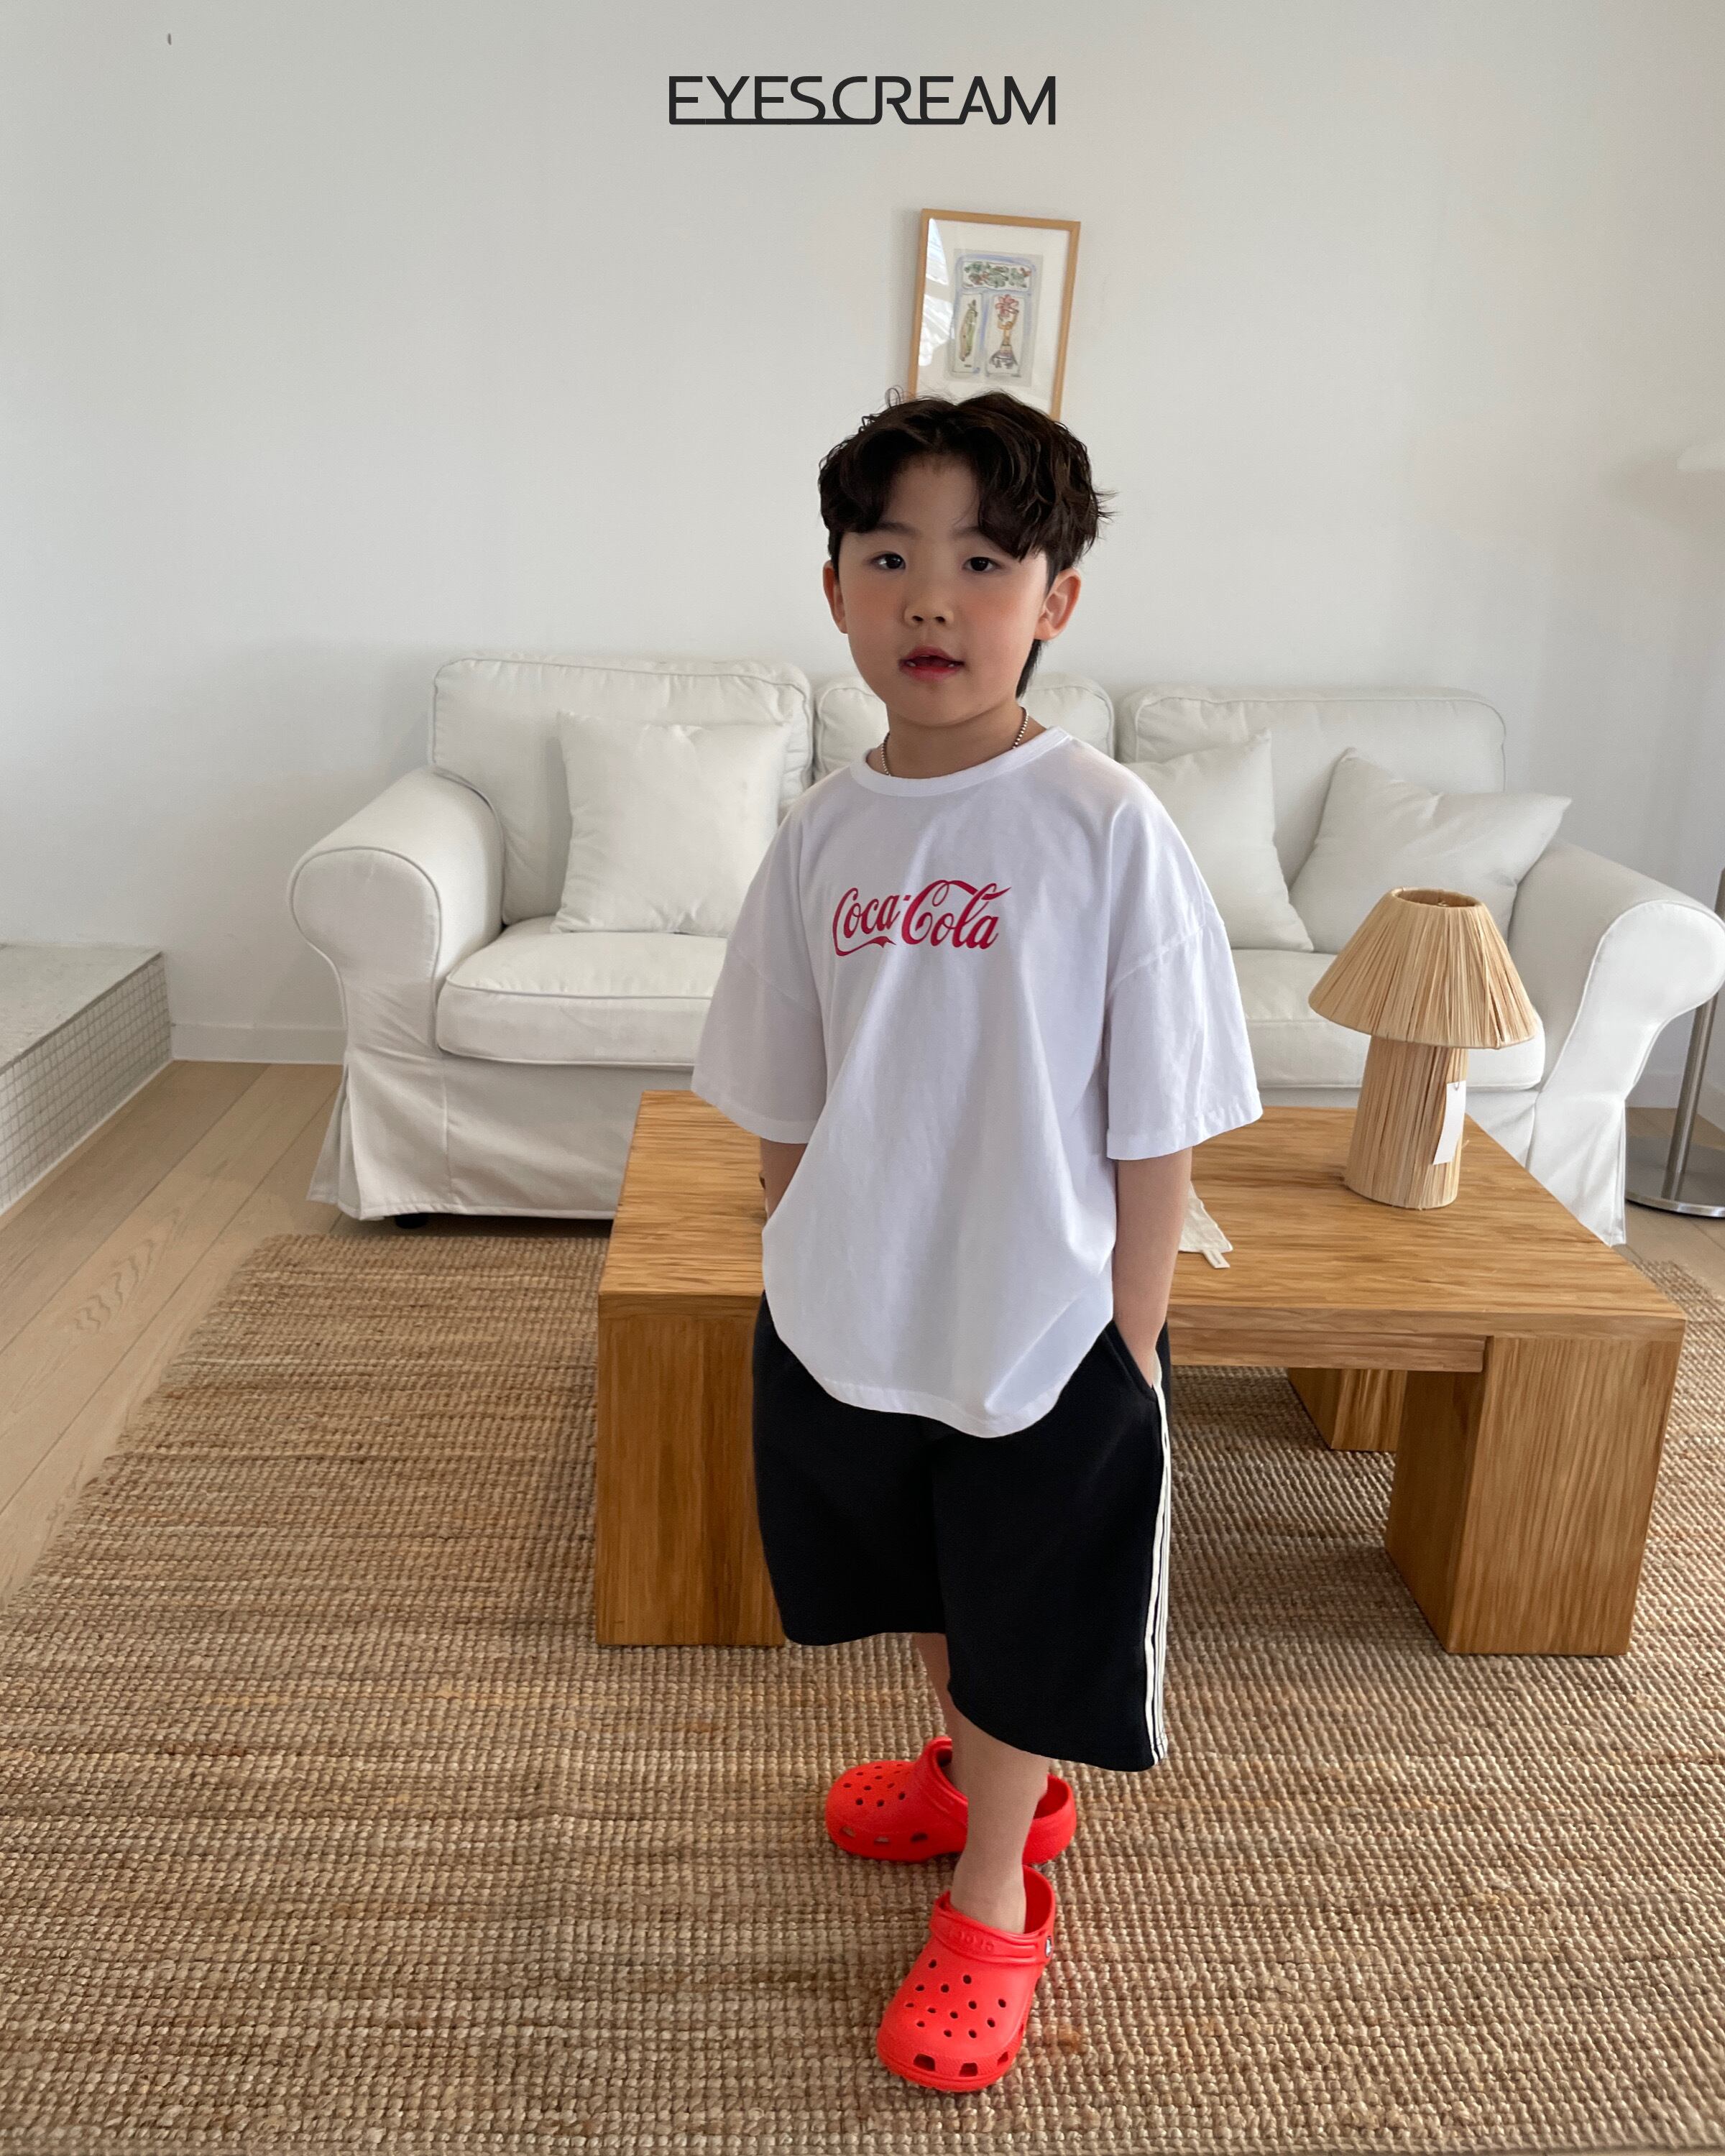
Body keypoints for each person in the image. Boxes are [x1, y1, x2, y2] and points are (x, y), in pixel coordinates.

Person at [690, 388, 1262, 2093]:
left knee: (1027, 1604)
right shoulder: (824, 830)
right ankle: (976, 1767)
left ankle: (997, 1889)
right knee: (926, 1582)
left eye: (985, 562)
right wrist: (800, 1254)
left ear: (1054, 600)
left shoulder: (1102, 824)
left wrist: (1129, 1338)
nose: (932, 598)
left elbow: (1160, 1109)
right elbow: (786, 1084)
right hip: (859, 1311)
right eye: (890, 559)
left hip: (1042, 1324)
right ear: (836, 591)